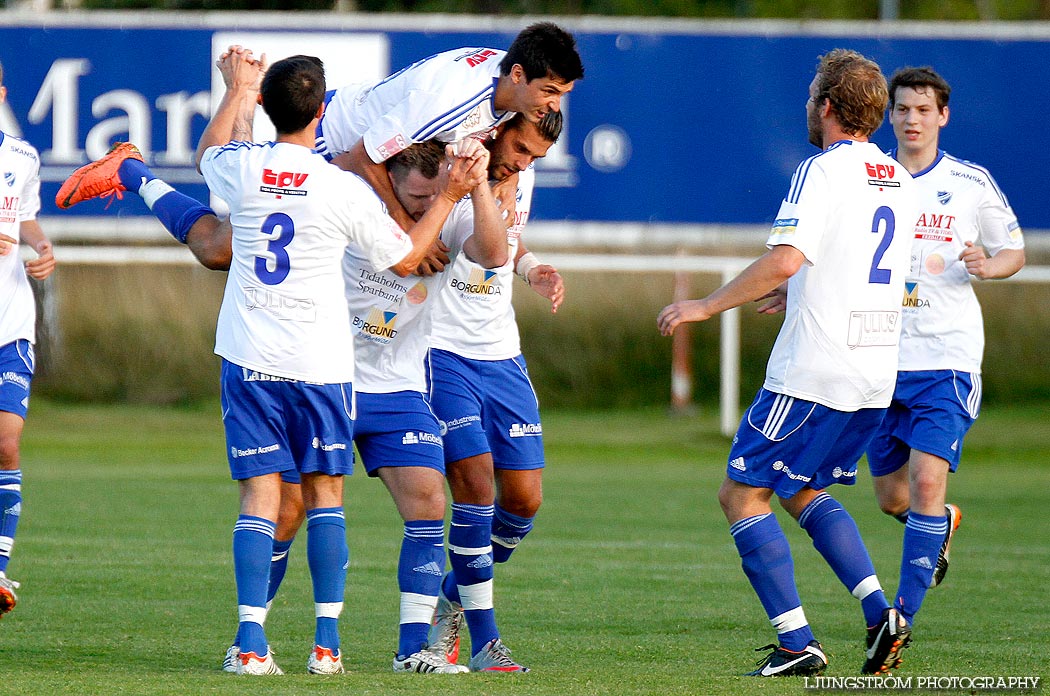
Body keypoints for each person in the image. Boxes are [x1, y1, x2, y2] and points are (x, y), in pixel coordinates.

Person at [57, 58, 496, 674]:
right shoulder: (341, 186)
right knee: (325, 498)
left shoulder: (244, 165)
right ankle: (326, 646)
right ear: (322, 115)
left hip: (251, 355)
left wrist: (235, 90)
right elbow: (406, 258)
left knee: (261, 497)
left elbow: (212, 153)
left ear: (267, 106)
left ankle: (251, 643)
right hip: (321, 362)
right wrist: (447, 196)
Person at [657, 49, 919, 677]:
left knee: (742, 495)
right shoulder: (900, 182)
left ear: (827, 106)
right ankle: (881, 612)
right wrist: (794, 290)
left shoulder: (821, 170)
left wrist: (708, 305)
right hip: (873, 375)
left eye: (811, 97)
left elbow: (784, 257)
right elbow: (863, 267)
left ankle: (797, 643)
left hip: (813, 371)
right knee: (803, 489)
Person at [865, 67, 1025, 627]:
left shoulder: (970, 182)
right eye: (902, 109)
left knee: (927, 480)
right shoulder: (872, 176)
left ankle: (898, 622)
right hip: (879, 358)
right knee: (893, 499)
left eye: (923, 110)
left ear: (943, 116)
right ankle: (943, 522)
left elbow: (1014, 250)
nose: (912, 119)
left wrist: (991, 265)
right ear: (890, 114)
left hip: (947, 359)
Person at [424, 110, 565, 672]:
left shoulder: (519, 172)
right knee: (476, 485)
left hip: (501, 352)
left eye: (535, 157)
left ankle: (452, 597)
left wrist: (533, 270)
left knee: (523, 500)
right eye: (521, 149)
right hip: (439, 348)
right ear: (501, 126)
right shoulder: (452, 166)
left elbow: (508, 239)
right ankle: (485, 643)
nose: (524, 162)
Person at [315, 21, 584, 231]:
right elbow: (362, 155)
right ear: (517, 75)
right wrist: (406, 229)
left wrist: (511, 181)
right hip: (328, 137)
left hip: (360, 137)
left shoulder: (514, 81)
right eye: (550, 91)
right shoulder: (448, 103)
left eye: (562, 94)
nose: (555, 105)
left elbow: (513, 138)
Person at [0, 60, 57, 620]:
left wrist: (41, 247)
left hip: (9, 323)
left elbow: (28, 217)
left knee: (7, 441)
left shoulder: (20, 156)